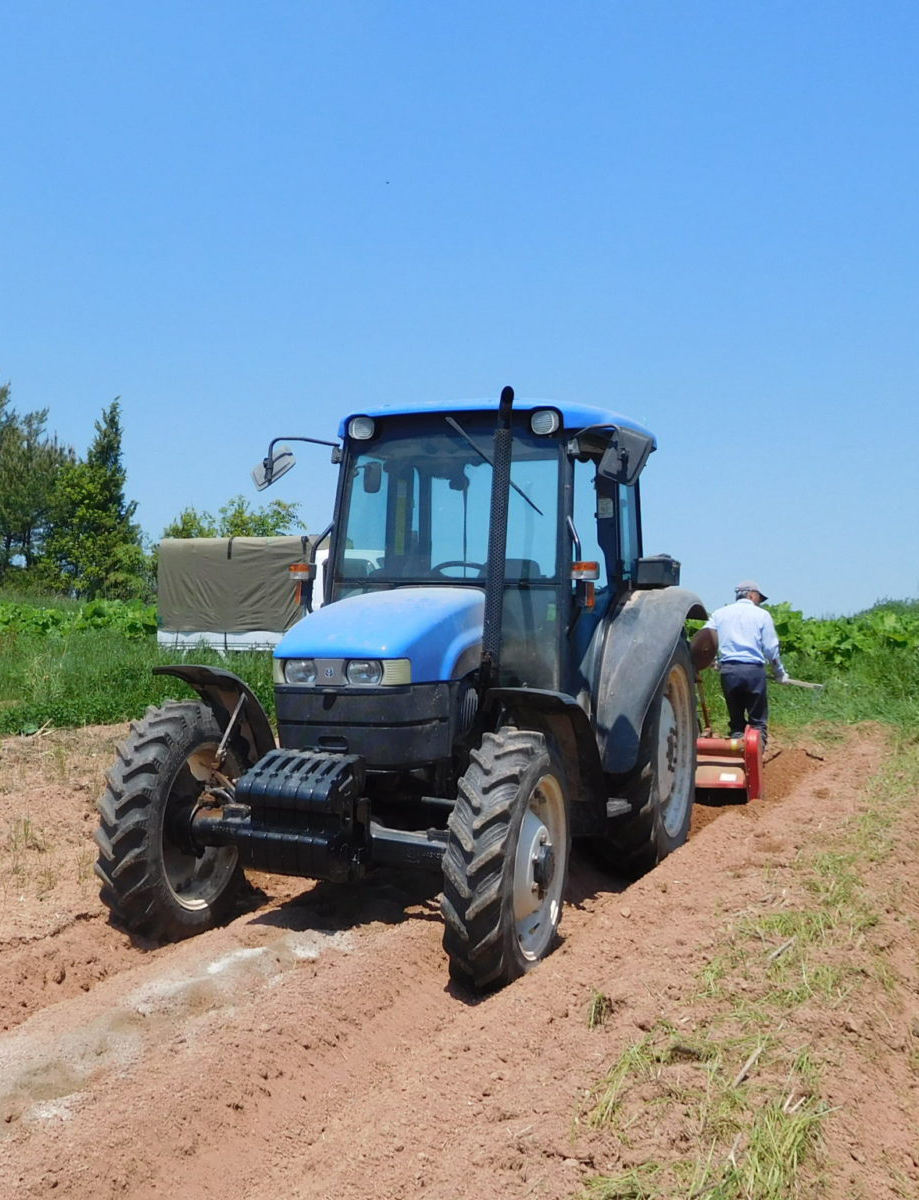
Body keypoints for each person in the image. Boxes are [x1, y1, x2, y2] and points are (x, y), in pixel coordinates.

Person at [703, 580, 789, 745]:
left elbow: (705, 640)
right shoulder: (762, 615)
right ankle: (755, 762)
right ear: (751, 595)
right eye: (758, 598)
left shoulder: (719, 614)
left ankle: (738, 756)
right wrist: (780, 673)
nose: (759, 602)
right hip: (753, 672)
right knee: (757, 723)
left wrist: (713, 661)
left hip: (729, 672)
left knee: (736, 723)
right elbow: (771, 649)